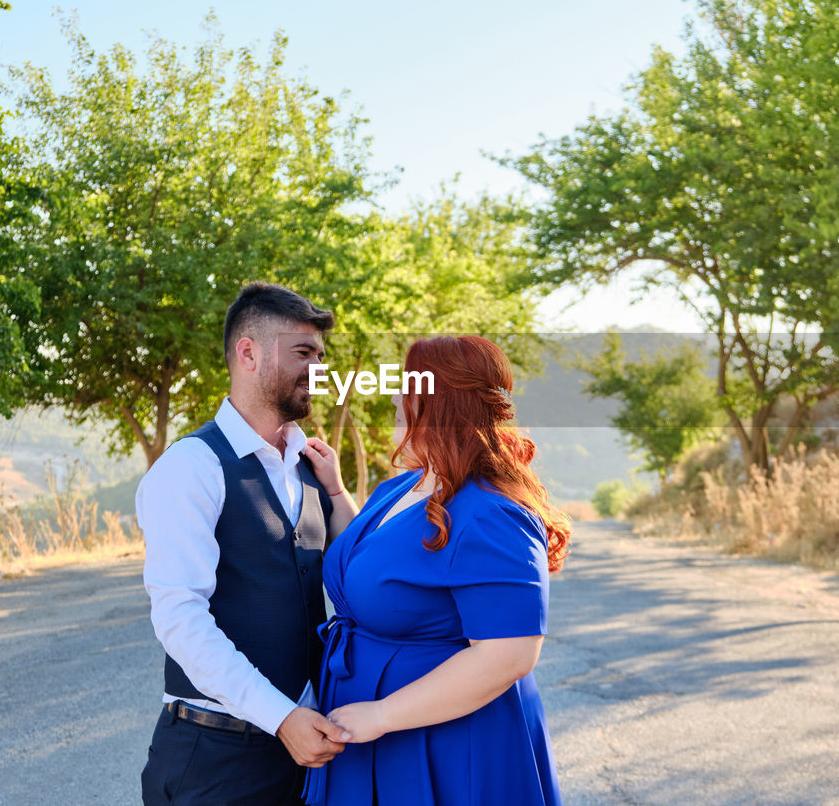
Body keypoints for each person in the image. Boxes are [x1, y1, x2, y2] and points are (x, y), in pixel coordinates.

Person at [298, 335, 571, 806]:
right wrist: (339, 494)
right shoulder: (402, 486)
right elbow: (370, 561)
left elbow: (510, 655)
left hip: (446, 740)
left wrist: (382, 715)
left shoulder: (491, 512)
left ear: (440, 402)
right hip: (370, 728)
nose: (394, 398)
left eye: (407, 385)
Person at [136, 282, 353, 805]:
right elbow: (180, 619)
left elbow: (360, 570)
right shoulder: (191, 468)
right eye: (303, 353)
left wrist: (339, 490)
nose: (317, 370)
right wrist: (281, 718)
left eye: (321, 357)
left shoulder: (311, 468)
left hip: (303, 759)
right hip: (216, 761)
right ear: (248, 352)